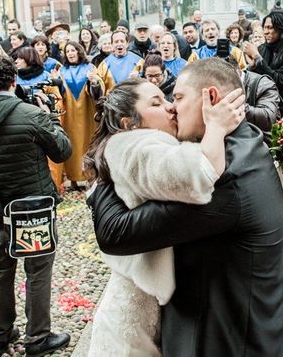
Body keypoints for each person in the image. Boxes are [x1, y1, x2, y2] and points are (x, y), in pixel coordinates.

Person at [88, 59, 283, 356]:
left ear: (210, 99)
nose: (172, 107)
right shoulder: (245, 142)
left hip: (227, 342)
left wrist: (108, 156)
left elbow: (116, 233)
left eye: (179, 97)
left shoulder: (223, 178)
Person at [84, 78, 246, 356]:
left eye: (168, 98)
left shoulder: (137, 144)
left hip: (145, 308)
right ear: (129, 123)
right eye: (156, 103)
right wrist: (217, 127)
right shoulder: (137, 146)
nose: (171, 107)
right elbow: (200, 174)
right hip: (132, 327)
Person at [0, 55, 73, 357]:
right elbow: (62, 152)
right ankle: (38, 337)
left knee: (0, 270)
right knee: (37, 270)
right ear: (14, 80)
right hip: (32, 207)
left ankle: (1, 334)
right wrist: (51, 118)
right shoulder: (32, 114)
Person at [244, 11, 283, 118]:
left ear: (281, 29)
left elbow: (279, 80)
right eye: (264, 28)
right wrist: (252, 66)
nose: (266, 32)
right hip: (262, 109)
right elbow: (254, 81)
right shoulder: (262, 49)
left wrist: (258, 59)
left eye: (270, 27)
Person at [59, 42, 104, 190]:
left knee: (88, 143)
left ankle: (89, 175)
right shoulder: (61, 71)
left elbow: (97, 90)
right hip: (70, 116)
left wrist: (95, 83)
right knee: (71, 144)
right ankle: (73, 178)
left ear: (79, 51)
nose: (71, 53)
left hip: (86, 114)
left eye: (73, 50)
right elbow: (59, 93)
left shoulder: (90, 69)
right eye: (68, 51)